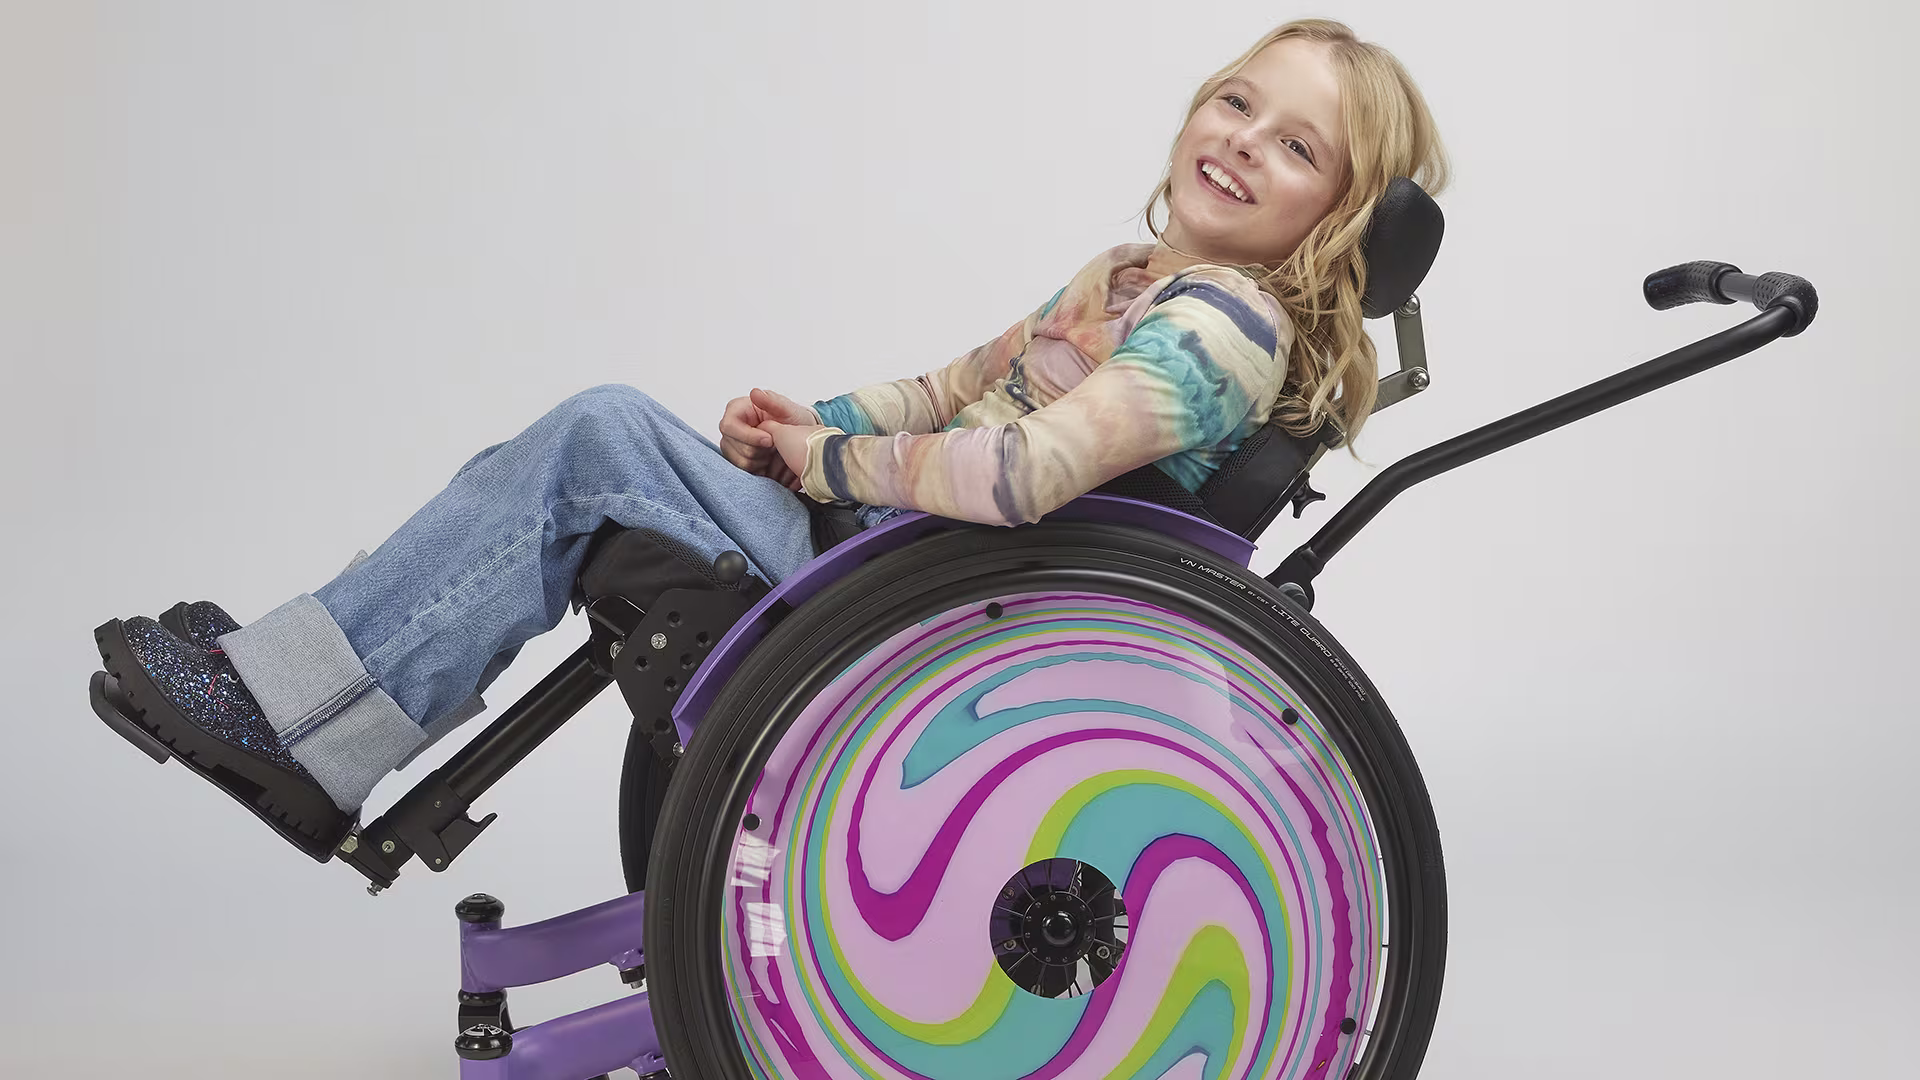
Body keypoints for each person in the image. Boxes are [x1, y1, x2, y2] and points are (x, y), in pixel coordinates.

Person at [91, 17, 1450, 855]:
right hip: (890, 541)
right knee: (595, 447)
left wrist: (821, 470)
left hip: (927, 586)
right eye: (1237, 104)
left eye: (1298, 150)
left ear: (1340, 216)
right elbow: (955, 391)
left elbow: (1021, 471)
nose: (1243, 143)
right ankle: (305, 690)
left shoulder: (1223, 330)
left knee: (596, 434)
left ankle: (297, 717)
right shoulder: (1130, 275)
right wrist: (821, 423)